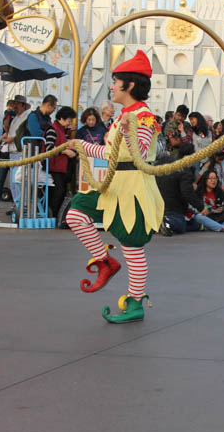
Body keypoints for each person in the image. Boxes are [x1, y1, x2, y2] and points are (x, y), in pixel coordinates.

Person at [65, 51, 164, 323]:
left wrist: (127, 130)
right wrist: (80, 145)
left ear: (128, 85)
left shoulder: (142, 116)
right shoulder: (126, 116)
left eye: (115, 81)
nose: (111, 86)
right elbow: (111, 152)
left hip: (133, 189)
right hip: (114, 185)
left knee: (133, 249)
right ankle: (105, 261)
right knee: (76, 213)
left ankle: (134, 304)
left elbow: (139, 152)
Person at [156, 143, 202, 236]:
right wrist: (201, 207)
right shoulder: (185, 170)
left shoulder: (163, 161)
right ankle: (168, 221)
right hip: (173, 207)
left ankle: (159, 223)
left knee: (191, 224)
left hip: (157, 203)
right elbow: (187, 193)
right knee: (181, 225)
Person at [0, 95, 31, 214]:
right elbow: (8, 130)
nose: (14, 106)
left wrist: (13, 138)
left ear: (22, 105)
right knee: (13, 181)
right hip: (12, 150)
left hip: (20, 150)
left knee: (19, 179)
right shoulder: (15, 117)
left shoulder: (27, 116)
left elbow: (24, 133)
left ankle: (23, 204)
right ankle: (17, 203)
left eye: (16, 104)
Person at [45, 106, 77, 218]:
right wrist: (65, 152)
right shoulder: (52, 129)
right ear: (62, 118)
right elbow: (49, 148)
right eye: (69, 120)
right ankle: (53, 215)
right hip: (54, 167)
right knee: (58, 191)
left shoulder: (63, 131)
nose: (69, 122)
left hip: (61, 166)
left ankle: (55, 215)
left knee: (61, 192)